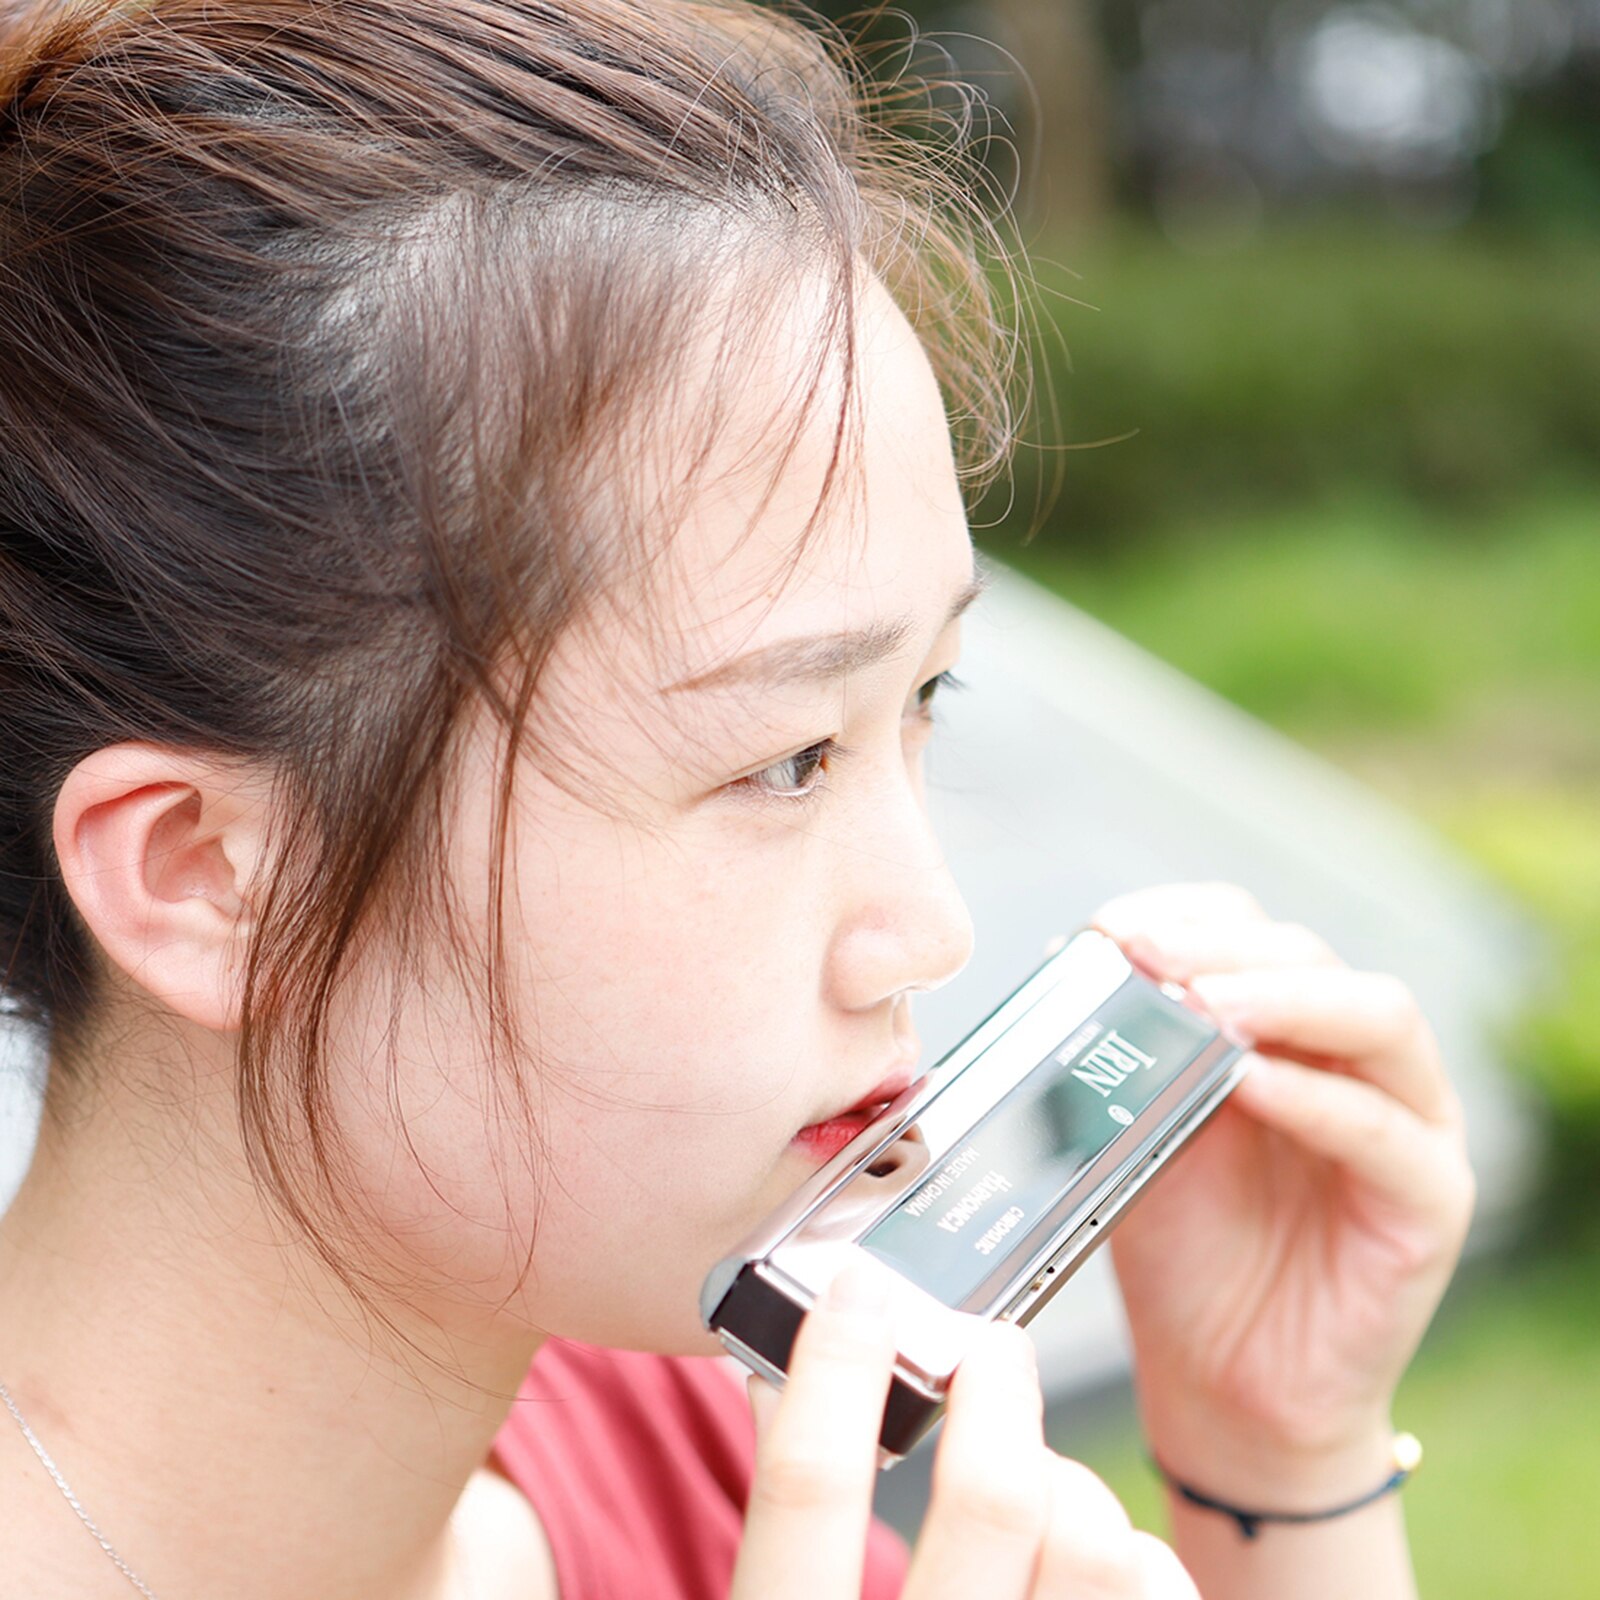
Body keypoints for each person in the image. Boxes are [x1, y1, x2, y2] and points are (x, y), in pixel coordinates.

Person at [0, 2, 1476, 1597]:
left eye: (922, 700)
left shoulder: (685, 1438)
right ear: (209, 874)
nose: (928, 931)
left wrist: (1283, 1481)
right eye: (781, 760)